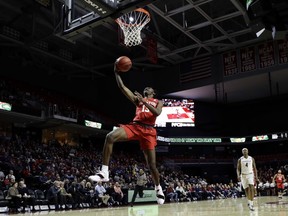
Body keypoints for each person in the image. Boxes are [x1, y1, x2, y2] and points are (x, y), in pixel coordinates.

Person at [88, 62, 165, 205]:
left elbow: (157, 113)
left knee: (152, 166)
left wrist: (145, 102)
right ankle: (104, 172)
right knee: (110, 136)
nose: (146, 88)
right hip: (135, 126)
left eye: (149, 88)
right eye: (145, 88)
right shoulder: (138, 101)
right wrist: (116, 73)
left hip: (149, 131)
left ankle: (158, 188)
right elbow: (122, 88)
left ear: (153, 92)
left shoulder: (158, 102)